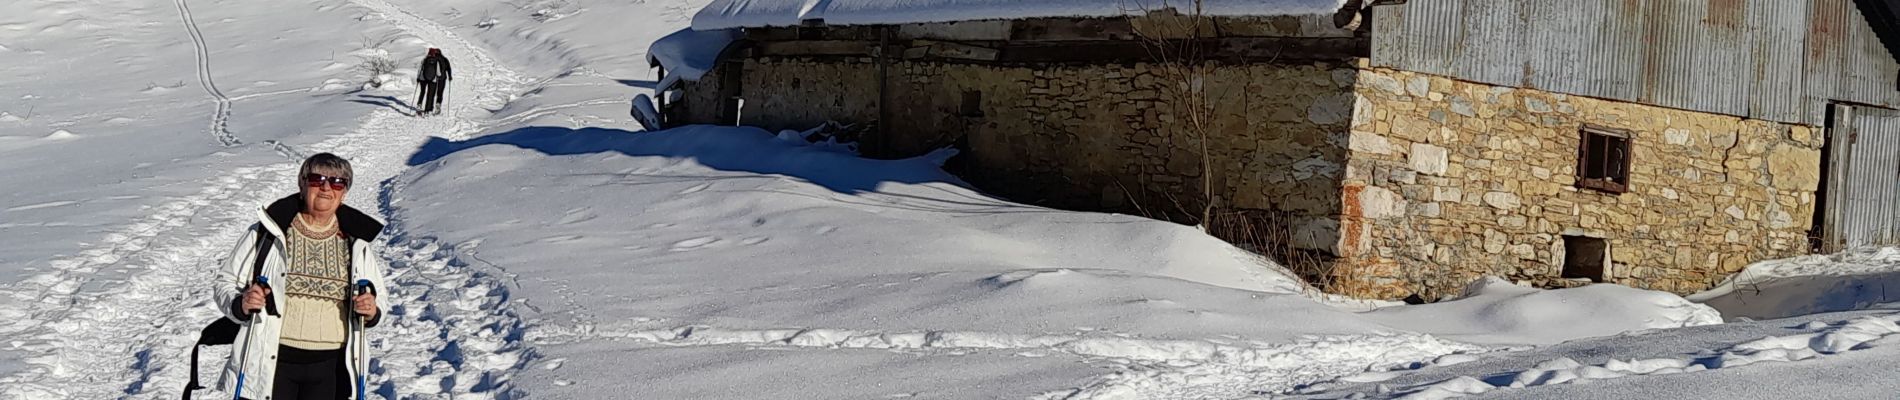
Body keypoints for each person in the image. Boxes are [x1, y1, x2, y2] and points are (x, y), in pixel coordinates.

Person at [215, 153, 389, 400]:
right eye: (317, 179)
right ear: (302, 184)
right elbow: (225, 282)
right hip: (273, 360)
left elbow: (379, 297)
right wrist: (241, 303)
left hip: (331, 366)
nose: (327, 187)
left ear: (344, 193)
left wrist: (371, 310)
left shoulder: (355, 242)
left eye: (337, 182)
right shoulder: (269, 232)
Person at [415, 48, 452, 115]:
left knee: (426, 92)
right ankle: (437, 104)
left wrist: (418, 78)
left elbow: (420, 69)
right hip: (440, 79)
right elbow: (448, 68)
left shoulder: (426, 59)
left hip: (428, 78)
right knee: (438, 93)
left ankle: (422, 105)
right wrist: (449, 76)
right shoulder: (444, 59)